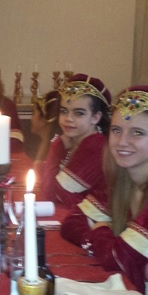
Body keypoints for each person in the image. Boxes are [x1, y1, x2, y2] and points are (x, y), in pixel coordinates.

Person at [61, 86, 148, 295]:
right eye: (116, 130)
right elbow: (71, 223)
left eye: (137, 133)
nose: (122, 141)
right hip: (131, 292)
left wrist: (99, 230)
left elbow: (118, 258)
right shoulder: (123, 177)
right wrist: (107, 242)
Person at [38, 74, 110, 208]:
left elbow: (51, 194)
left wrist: (56, 147)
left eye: (79, 113)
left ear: (95, 117)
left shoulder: (95, 146)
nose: (68, 119)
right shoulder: (75, 141)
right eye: (64, 111)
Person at [31, 90, 61, 166]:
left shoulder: (54, 149)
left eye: (33, 113)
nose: (31, 118)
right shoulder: (43, 145)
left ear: (43, 120)